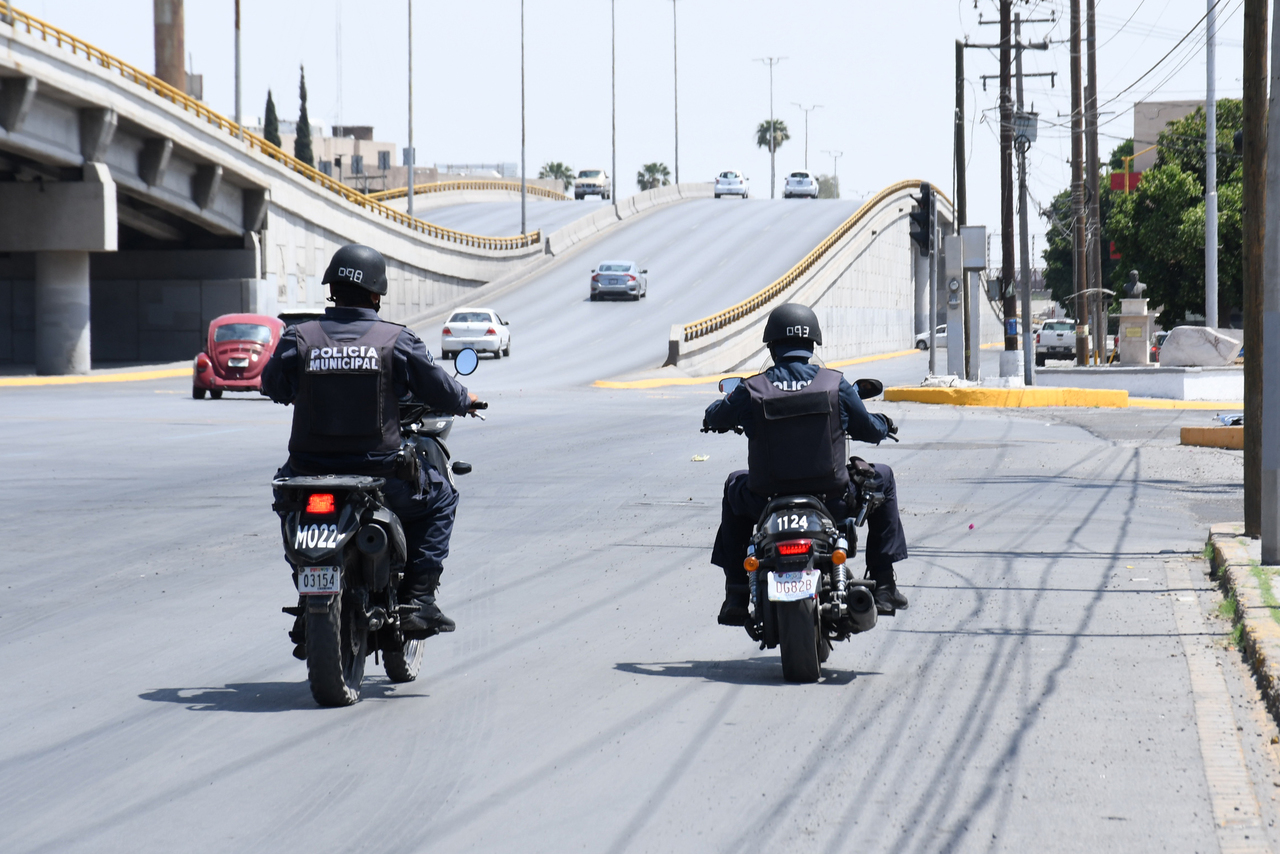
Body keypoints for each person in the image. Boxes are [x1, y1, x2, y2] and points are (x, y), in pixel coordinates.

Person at [262, 244, 481, 650]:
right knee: (441, 499)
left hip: (307, 474)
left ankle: (307, 590)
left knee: (290, 509)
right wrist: (465, 400)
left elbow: (273, 386)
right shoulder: (395, 340)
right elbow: (439, 387)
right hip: (380, 476)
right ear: (376, 294)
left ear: (332, 291)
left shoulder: (299, 337)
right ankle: (418, 599)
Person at [702, 303, 910, 625]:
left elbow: (715, 416)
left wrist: (723, 412)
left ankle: (737, 593)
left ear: (771, 346)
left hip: (765, 503)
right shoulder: (835, 384)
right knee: (883, 476)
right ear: (813, 345)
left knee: (734, 485)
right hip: (834, 502)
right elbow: (869, 429)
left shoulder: (751, 389)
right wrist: (885, 423)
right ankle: (883, 584)